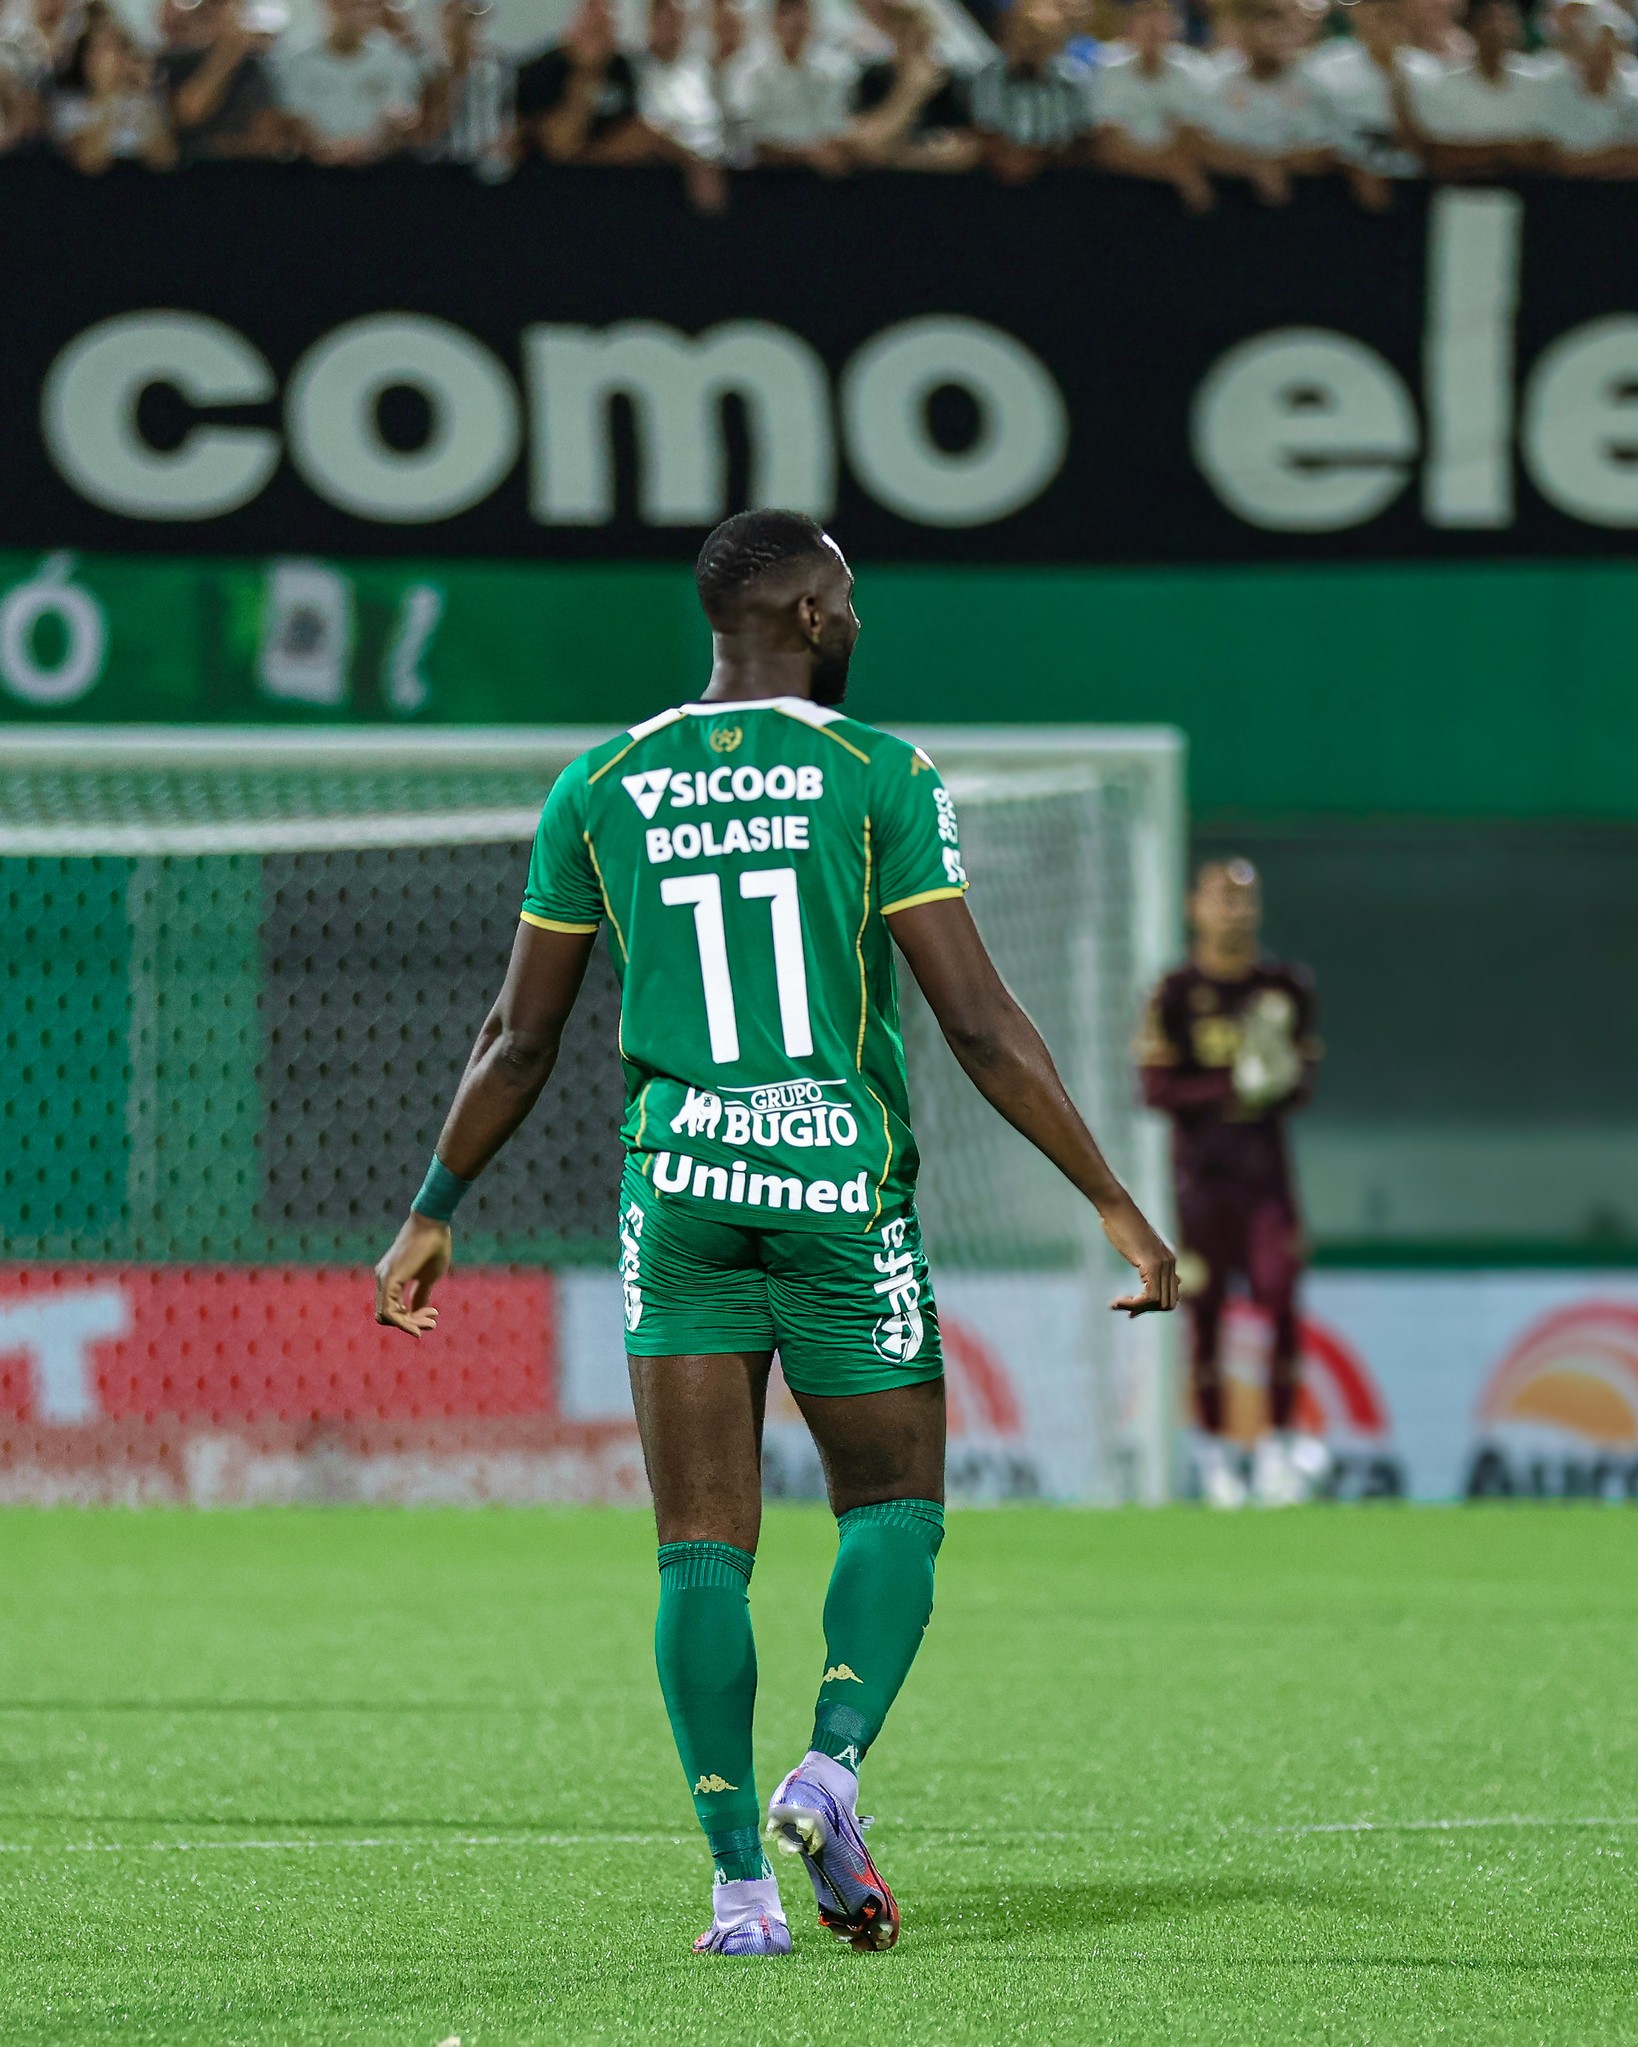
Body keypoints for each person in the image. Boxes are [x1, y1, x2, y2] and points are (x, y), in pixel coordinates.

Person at [373, 510, 1177, 1958]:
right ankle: (832, 1758)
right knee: (892, 1504)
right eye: (848, 599)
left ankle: (741, 1886)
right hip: (831, 1185)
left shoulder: (600, 783)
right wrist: (1112, 1197)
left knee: (698, 1551)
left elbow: (516, 1036)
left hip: (676, 1192)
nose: (858, 620)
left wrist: (435, 1204)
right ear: (806, 614)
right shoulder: (878, 774)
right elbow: (978, 1022)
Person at [1138, 858, 1321, 1511]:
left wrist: (1273, 1078)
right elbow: (1155, 1087)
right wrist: (1231, 1085)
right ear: (1195, 907)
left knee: (1279, 1295)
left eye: (1246, 899)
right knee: (1206, 1310)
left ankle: (1276, 1445)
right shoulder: (1175, 992)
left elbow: (1303, 1082)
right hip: (1201, 1179)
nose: (1234, 911)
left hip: (1266, 1177)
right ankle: (1214, 1453)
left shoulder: (1285, 987)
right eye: (1222, 899)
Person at [1187, 0, 1333, 204]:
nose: (1277, 39)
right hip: (1229, 197)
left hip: (1300, 198)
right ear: (1246, 33)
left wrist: (1278, 164)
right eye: (1268, 29)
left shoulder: (1314, 83)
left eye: (1283, 31)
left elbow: (1327, 149)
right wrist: (1253, 165)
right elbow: (1196, 141)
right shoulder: (1217, 80)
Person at [1398, 0, 1549, 177]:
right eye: (1489, 20)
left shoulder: (1535, 82)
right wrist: (1505, 151)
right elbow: (1437, 154)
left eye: (1507, 19)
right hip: (1460, 197)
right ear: (1471, 27)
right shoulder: (1446, 84)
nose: (1499, 28)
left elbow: (1542, 151)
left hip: (1524, 195)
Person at [1089, 0, 1216, 210]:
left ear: (1178, 25)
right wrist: (1172, 169)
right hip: (1120, 192)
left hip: (1178, 199)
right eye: (1144, 16)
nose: (1153, 26)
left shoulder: (1195, 71)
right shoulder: (1107, 69)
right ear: (1129, 25)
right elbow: (1107, 146)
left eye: (1162, 18)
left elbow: (1193, 140)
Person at [1303, 0, 1425, 207]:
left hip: (1415, 186)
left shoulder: (1425, 69)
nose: (1387, 15)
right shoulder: (1324, 66)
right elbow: (1313, 133)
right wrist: (1353, 168)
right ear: (1357, 12)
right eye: (1376, 7)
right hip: (1341, 188)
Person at [275, 0, 422, 162]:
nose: (367, 12)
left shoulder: (395, 60)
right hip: (310, 173)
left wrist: (368, 144)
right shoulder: (296, 63)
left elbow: (401, 113)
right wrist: (325, 146)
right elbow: (292, 115)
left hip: (379, 171)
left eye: (371, 5)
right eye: (354, 5)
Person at [969, 0, 1092, 183]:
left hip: (1060, 184)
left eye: (1039, 35)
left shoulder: (1074, 80)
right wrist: (1013, 159)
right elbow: (986, 131)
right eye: (1024, 33)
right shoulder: (988, 77)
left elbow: (1080, 140)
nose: (1030, 44)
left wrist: (1037, 160)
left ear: (1056, 43)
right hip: (998, 182)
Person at [846, 0, 978, 170]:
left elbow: (967, 151)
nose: (914, 37)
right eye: (905, 29)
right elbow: (868, 147)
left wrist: (902, 157)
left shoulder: (953, 82)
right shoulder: (874, 78)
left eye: (920, 29)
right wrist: (912, 89)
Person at [733, 0, 858, 173]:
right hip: (770, 178)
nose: (795, 21)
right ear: (772, 22)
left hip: (822, 180)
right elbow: (754, 139)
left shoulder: (829, 76)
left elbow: (835, 129)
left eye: (802, 12)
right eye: (786, 12)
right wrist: (807, 155)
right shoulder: (753, 77)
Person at [157, 0, 285, 160]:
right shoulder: (170, 62)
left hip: (243, 170)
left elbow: (265, 130)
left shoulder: (251, 64)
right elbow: (187, 114)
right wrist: (228, 49)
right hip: (188, 170)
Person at [54, 4, 178, 168]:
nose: (115, 56)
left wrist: (143, 96)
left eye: (119, 47)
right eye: (103, 48)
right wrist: (108, 98)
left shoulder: (144, 104)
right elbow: (89, 161)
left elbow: (165, 159)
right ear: (87, 60)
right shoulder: (70, 109)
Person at [515, 0, 638, 160]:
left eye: (603, 27)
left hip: (608, 173)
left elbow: (632, 133)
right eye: (592, 27)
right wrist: (586, 73)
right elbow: (559, 146)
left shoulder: (622, 68)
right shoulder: (542, 71)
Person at [1533, 0, 1638, 173]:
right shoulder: (1549, 86)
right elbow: (1550, 156)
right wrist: (1611, 157)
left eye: (1609, 38)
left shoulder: (1634, 86)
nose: (1604, 50)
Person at [419, 0, 514, 175]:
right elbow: (430, 127)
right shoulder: (428, 66)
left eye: (467, 18)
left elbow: (508, 115)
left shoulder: (500, 64)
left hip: (489, 166)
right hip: (441, 167)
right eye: (452, 15)